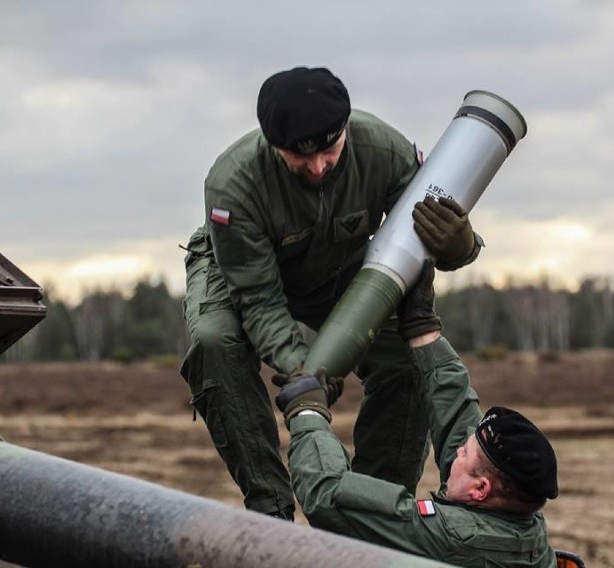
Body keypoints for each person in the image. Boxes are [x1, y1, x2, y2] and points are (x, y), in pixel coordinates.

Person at [180, 66, 483, 520]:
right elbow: (259, 301)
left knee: (404, 360)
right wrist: (309, 371)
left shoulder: (384, 150)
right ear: (272, 145)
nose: (319, 167)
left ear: (345, 130)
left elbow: (420, 247)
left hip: (340, 264)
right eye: (300, 158)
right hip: (241, 271)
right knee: (214, 342)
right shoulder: (233, 184)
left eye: (330, 150)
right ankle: (270, 508)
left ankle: (372, 513)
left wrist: (459, 243)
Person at [273, 262, 559, 568]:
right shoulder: (520, 519)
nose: (459, 450)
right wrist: (424, 330)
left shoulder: (456, 538)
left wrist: (307, 411)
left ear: (480, 490)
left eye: (465, 453)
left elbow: (328, 494)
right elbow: (458, 418)